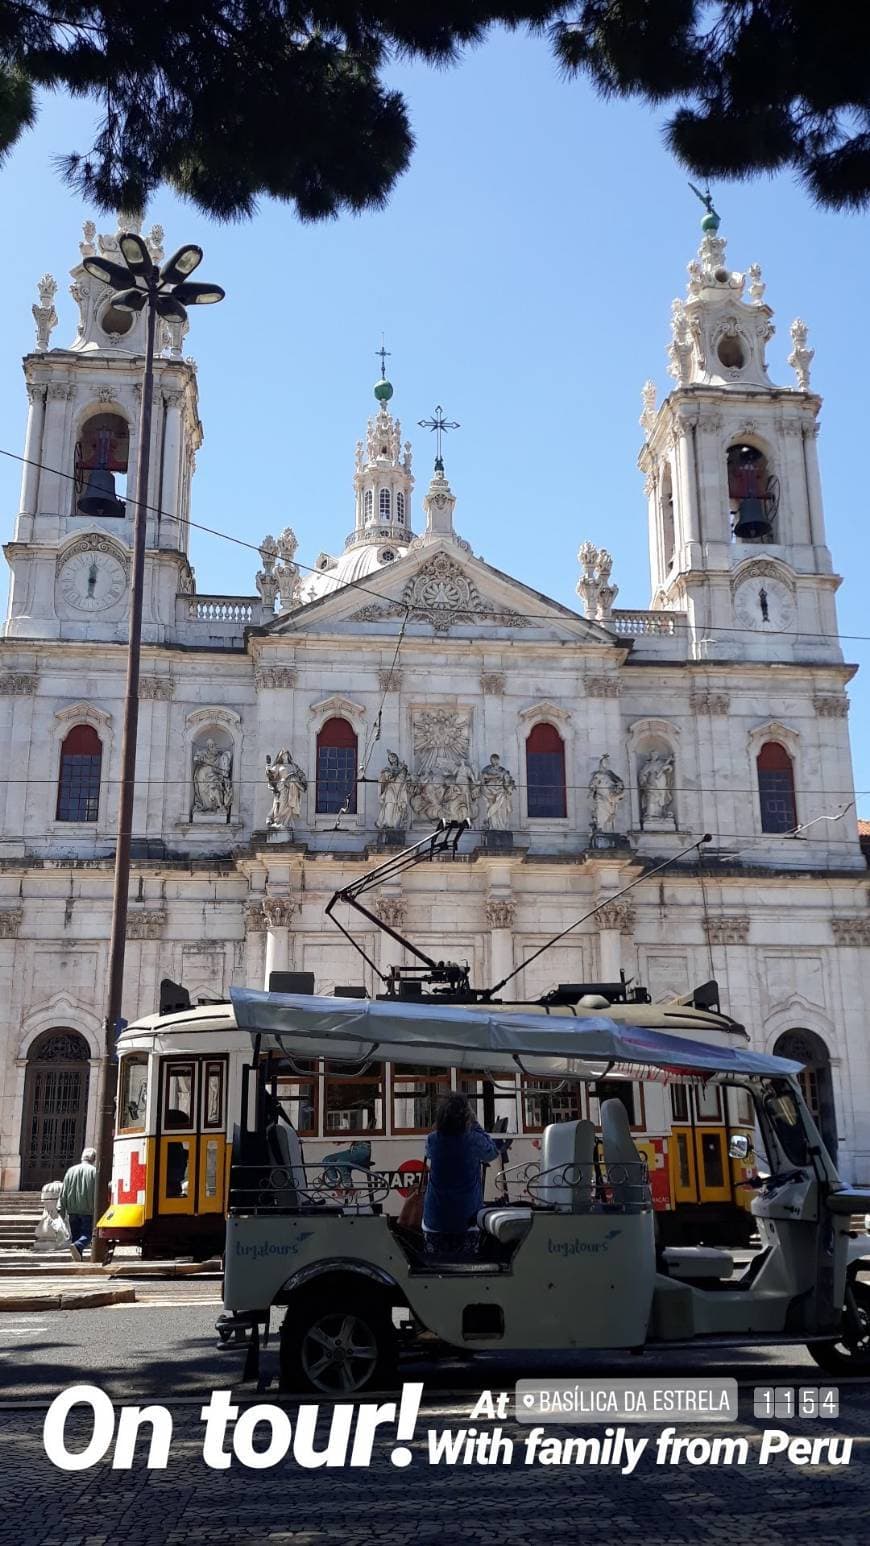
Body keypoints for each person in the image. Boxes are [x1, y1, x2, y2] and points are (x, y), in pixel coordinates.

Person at [423, 1094, 500, 1256]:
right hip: (467, 1219)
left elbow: (429, 1154)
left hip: (435, 1219)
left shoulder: (432, 1140)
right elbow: (492, 1152)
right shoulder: (473, 1139)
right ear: (467, 1117)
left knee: (435, 1266)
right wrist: (475, 1124)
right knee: (467, 1265)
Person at [58, 1146, 97, 1261]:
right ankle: (78, 1247)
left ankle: (78, 1257)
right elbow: (97, 1192)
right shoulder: (94, 1171)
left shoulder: (71, 1170)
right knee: (88, 1235)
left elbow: (64, 1190)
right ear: (93, 1159)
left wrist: (61, 1207)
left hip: (72, 1209)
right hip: (88, 1209)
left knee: (75, 1235)